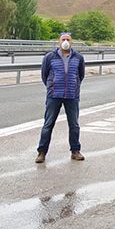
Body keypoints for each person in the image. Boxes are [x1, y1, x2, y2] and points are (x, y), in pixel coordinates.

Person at [35, 33, 86, 163]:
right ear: (59, 42)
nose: (65, 42)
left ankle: (75, 151)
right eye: (63, 39)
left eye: (68, 39)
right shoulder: (50, 57)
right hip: (54, 95)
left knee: (74, 125)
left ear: (72, 42)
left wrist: (74, 87)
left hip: (71, 96)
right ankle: (42, 152)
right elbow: (44, 74)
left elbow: (81, 75)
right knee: (48, 124)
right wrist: (51, 87)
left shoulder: (78, 58)